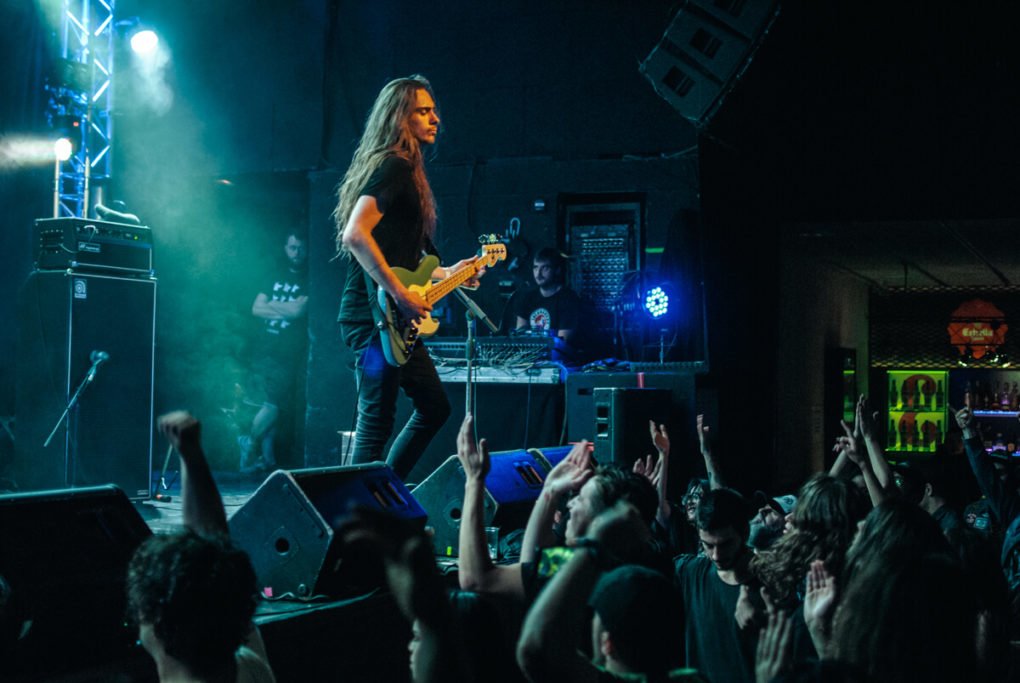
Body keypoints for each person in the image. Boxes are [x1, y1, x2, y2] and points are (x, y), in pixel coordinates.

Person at [334, 74, 480, 480]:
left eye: (433, 110)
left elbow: (404, 259)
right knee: (376, 422)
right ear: (400, 117)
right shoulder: (394, 166)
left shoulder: (406, 171)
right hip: (372, 317)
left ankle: (383, 494)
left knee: (435, 407)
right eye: (423, 111)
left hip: (394, 317)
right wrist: (398, 294)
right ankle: (349, 518)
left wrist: (452, 273)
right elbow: (354, 235)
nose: (436, 118)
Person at [128, 412, 275, 682]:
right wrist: (191, 455)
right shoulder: (249, 669)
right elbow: (213, 558)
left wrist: (191, 454)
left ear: (154, 624)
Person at [455, 414, 659, 603]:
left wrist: (474, 480)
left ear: (602, 520)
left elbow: (477, 580)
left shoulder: (579, 570)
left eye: (581, 500)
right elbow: (532, 566)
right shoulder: (640, 561)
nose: (570, 503)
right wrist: (550, 491)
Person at [517, 502, 703, 682]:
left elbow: (523, 572)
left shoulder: (576, 564)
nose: (571, 503)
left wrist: (549, 495)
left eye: (582, 498)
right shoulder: (691, 678)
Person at [674, 487, 762, 682]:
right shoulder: (690, 572)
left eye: (725, 544)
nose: (716, 555)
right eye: (708, 545)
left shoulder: (770, 583)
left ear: (744, 533)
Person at [239, 232, 308, 473]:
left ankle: (249, 442)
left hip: (287, 352)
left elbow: (299, 311)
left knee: (273, 405)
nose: (296, 253)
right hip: (264, 349)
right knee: (269, 404)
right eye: (292, 247)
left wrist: (274, 307)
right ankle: (268, 460)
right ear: (285, 247)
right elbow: (256, 308)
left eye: (300, 248)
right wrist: (285, 309)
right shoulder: (273, 276)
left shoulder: (309, 278)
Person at [514, 246, 582, 356]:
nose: (538, 274)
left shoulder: (568, 299)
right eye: (535, 268)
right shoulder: (528, 298)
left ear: (557, 270)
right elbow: (519, 334)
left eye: (545, 268)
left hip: (560, 362)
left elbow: (563, 343)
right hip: (530, 359)